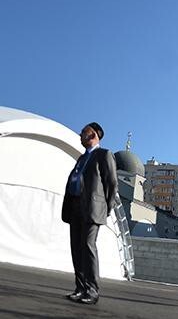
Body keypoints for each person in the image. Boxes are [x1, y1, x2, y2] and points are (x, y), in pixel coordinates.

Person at [61, 122, 118, 305]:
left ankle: (92, 291)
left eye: (84, 132)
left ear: (93, 135)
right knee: (76, 248)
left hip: (93, 209)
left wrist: (105, 208)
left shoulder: (104, 155)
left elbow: (112, 184)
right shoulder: (81, 158)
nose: (80, 135)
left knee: (87, 245)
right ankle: (80, 288)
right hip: (76, 207)